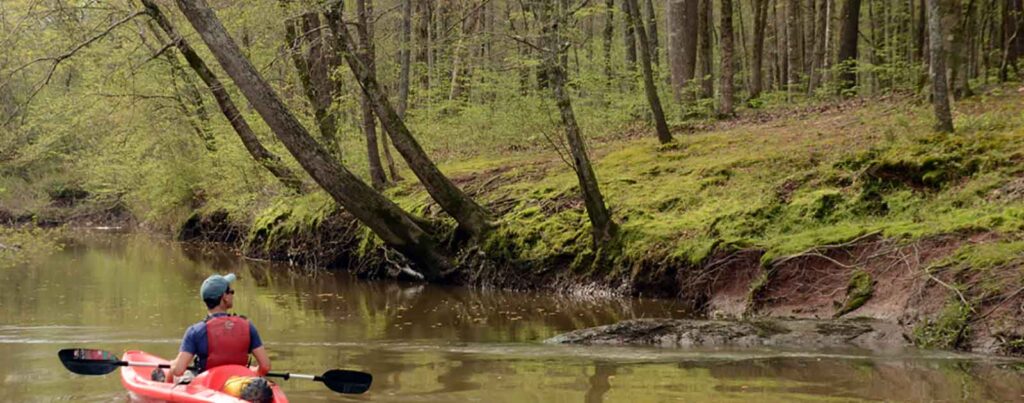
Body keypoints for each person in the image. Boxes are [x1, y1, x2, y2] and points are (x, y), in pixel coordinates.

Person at [167, 273, 271, 383]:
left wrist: (172, 365)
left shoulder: (195, 331)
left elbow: (178, 371)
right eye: (231, 292)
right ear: (224, 297)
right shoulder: (248, 327)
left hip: (207, 386)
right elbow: (265, 366)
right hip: (239, 384)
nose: (232, 294)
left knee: (173, 374)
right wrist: (253, 372)